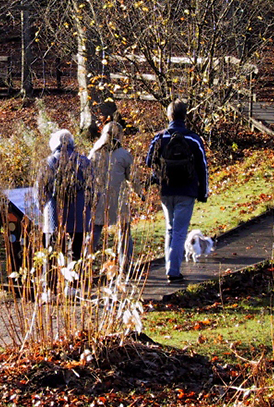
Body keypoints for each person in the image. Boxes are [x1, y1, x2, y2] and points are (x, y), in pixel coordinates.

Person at [145, 100, 209, 283]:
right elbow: (202, 167)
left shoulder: (159, 138)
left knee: (170, 229)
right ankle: (173, 271)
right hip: (186, 191)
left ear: (169, 116)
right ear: (185, 115)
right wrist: (203, 192)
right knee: (180, 231)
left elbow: (149, 161)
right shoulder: (193, 138)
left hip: (166, 190)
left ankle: (169, 267)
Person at [36, 129, 92, 263]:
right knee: (77, 255)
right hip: (79, 216)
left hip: (53, 215)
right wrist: (89, 209)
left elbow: (40, 192)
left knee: (52, 254)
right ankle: (76, 281)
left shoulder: (48, 163)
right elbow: (93, 189)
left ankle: (51, 282)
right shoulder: (84, 162)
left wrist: (42, 209)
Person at [88, 121, 137, 274]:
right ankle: (125, 266)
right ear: (120, 135)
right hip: (119, 198)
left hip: (99, 198)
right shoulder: (124, 154)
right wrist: (140, 193)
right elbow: (133, 178)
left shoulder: (94, 152)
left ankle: (85, 264)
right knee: (124, 231)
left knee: (94, 231)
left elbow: (87, 175)